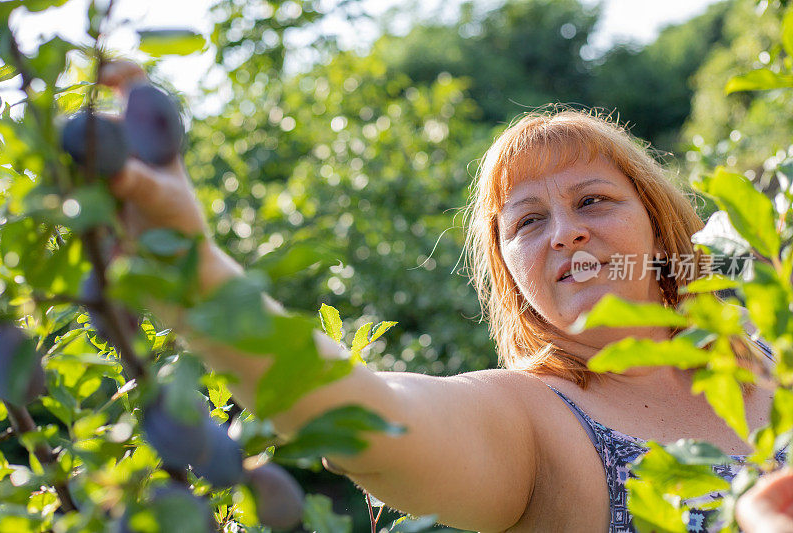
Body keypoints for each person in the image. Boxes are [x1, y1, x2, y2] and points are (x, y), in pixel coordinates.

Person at [99, 60, 775, 532]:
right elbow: (369, 413)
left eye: (592, 200)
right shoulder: (535, 421)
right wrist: (197, 277)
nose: (566, 233)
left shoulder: (772, 339)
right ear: (510, 272)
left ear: (658, 223)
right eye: (529, 221)